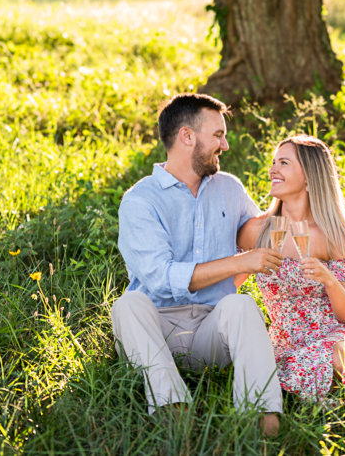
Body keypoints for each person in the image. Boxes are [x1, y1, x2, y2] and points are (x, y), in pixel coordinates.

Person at [111, 93, 284, 435]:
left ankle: (262, 418)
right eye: (218, 135)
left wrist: (292, 196)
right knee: (128, 304)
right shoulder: (140, 201)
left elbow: (259, 236)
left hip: (210, 331)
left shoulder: (229, 188)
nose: (225, 145)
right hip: (154, 332)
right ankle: (174, 411)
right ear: (187, 136)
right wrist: (238, 264)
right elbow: (161, 279)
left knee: (241, 305)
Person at [236, 135, 345, 404]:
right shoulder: (256, 230)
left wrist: (329, 281)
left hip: (336, 333)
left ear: (308, 177)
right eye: (273, 162)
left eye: (284, 162)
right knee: (293, 373)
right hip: (285, 339)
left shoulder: (333, 234)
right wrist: (247, 263)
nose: (272, 170)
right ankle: (337, 402)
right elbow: (227, 286)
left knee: (335, 353)